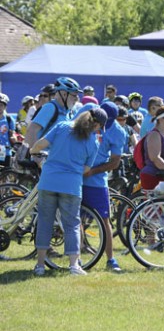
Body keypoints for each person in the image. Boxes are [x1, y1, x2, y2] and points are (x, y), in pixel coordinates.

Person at [30, 108, 106, 276]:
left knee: (44, 222)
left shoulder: (62, 126)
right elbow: (86, 169)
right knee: (72, 225)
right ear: (97, 126)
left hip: (48, 181)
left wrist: (32, 151)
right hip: (71, 186)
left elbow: (41, 144)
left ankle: (40, 265)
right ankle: (74, 266)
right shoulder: (93, 142)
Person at [81, 102, 127, 272]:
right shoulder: (86, 119)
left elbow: (115, 162)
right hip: (76, 176)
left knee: (104, 219)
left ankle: (111, 259)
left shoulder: (118, 132)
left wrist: (92, 171)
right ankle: (76, 257)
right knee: (74, 218)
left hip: (97, 181)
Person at [25, 77, 81, 148]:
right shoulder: (50, 107)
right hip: (45, 154)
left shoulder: (71, 111)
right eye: (74, 95)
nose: (76, 99)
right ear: (64, 94)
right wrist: (35, 152)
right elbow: (32, 130)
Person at [0, 93, 16, 166]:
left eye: (1, 105)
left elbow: (12, 134)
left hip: (6, 152)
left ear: (5, 107)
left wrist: (15, 140)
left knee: (6, 171)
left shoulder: (9, 119)